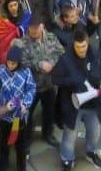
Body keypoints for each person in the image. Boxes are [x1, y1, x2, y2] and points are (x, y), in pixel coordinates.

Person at [53, 29, 101, 171]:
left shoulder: (95, 54)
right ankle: (67, 159)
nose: (81, 50)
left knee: (95, 131)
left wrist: (95, 78)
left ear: (88, 43)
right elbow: (55, 79)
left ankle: (91, 151)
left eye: (83, 46)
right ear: (73, 45)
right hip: (73, 104)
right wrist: (74, 80)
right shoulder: (65, 59)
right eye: (78, 47)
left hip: (93, 102)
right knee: (70, 134)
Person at [19, 11, 64, 147]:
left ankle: (48, 134)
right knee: (27, 113)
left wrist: (51, 63)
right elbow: (22, 63)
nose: (33, 31)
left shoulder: (51, 37)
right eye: (30, 28)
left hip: (49, 84)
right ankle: (27, 137)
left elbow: (60, 52)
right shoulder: (23, 42)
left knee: (49, 112)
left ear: (42, 26)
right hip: (31, 86)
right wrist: (39, 65)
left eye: (36, 28)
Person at [0, 45, 35, 171]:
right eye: (8, 62)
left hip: (18, 118)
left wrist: (25, 104)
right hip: (4, 116)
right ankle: (3, 166)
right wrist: (3, 103)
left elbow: (31, 89)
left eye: (13, 63)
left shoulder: (26, 72)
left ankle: (21, 167)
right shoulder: (0, 71)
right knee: (4, 144)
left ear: (19, 62)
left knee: (20, 145)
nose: (10, 65)